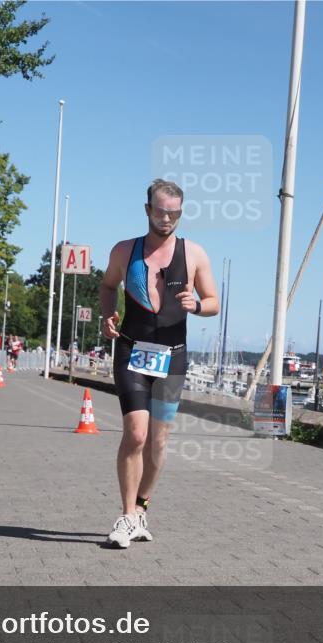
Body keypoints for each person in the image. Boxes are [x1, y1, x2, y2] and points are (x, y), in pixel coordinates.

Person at [99, 179, 219, 548]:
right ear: (147, 208)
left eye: (174, 213)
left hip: (173, 356)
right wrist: (108, 316)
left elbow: (213, 301)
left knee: (157, 442)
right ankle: (126, 516)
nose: (167, 218)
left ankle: (141, 506)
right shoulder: (124, 250)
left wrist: (196, 306)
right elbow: (107, 286)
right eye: (161, 210)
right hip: (132, 351)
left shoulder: (194, 253)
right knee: (135, 434)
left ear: (180, 214)